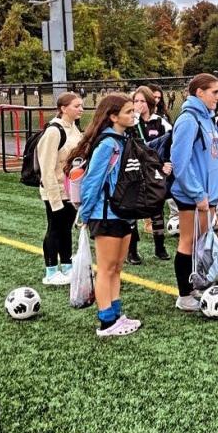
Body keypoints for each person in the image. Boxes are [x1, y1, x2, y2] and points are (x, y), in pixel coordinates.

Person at [70, 93, 142, 337]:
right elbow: (93, 182)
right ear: (113, 116)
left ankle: (115, 314)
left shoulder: (124, 140)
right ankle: (106, 322)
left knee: (116, 268)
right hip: (106, 214)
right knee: (106, 269)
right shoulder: (108, 145)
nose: (134, 115)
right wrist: (85, 214)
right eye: (128, 112)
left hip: (122, 214)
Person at [170, 74, 218, 312]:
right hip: (194, 197)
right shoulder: (188, 120)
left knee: (199, 243)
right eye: (214, 92)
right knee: (188, 242)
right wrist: (197, 193)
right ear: (199, 93)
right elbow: (179, 162)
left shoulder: (207, 118)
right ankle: (184, 295)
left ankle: (195, 285)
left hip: (209, 195)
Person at [37, 92, 84, 286]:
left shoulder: (74, 128)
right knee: (55, 228)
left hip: (69, 190)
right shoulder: (54, 131)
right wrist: (54, 198)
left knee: (66, 229)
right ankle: (51, 270)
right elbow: (46, 166)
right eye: (76, 105)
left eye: (81, 105)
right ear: (63, 108)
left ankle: (66, 265)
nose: (80, 109)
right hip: (55, 189)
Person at [126, 86, 173, 265]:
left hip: (154, 172)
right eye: (136, 101)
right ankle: (132, 250)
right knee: (132, 209)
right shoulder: (130, 123)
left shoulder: (160, 122)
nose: (139, 105)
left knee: (156, 208)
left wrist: (166, 163)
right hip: (135, 172)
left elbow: (170, 143)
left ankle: (160, 247)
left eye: (142, 101)